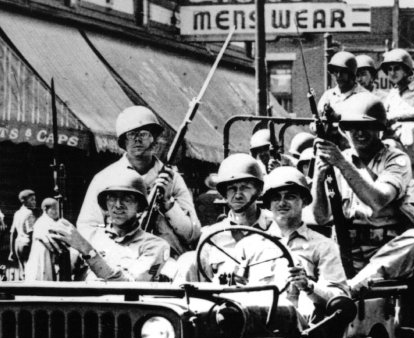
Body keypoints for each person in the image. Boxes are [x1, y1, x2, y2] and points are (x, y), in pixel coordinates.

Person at [312, 93, 414, 295]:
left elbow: (378, 200)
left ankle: (354, 286)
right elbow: (320, 217)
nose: (360, 132)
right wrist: (319, 176)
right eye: (353, 126)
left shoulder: (395, 159)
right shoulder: (339, 158)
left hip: (385, 251)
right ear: (344, 130)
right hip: (345, 249)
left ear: (379, 129)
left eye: (368, 126)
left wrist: (341, 163)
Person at [224, 167, 348, 325]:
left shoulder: (323, 246)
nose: (282, 203)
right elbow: (229, 292)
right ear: (269, 205)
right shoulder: (248, 246)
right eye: (276, 198)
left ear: (304, 201)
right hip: (251, 328)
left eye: (290, 197)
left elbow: (340, 300)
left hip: (297, 334)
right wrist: (229, 281)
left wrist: (308, 286)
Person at [77, 106, 200, 257]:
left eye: (143, 134)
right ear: (123, 141)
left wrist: (168, 204)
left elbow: (193, 234)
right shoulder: (105, 178)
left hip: (166, 259)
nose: (137, 139)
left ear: (153, 139)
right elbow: (87, 228)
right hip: (117, 257)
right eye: (131, 134)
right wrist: (117, 250)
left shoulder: (172, 179)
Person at [50, 169, 170, 282]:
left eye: (127, 199)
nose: (118, 205)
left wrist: (88, 251)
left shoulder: (155, 246)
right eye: (112, 198)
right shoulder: (89, 236)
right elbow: (57, 275)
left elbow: (131, 286)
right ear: (105, 203)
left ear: (139, 205)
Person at [183, 154, 273, 282]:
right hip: (222, 300)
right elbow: (201, 282)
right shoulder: (212, 236)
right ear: (224, 193)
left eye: (244, 188)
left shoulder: (275, 228)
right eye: (231, 189)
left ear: (257, 190)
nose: (237, 195)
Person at [23, 198, 70, 281]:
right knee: (41, 272)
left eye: (57, 209)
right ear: (45, 209)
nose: (56, 212)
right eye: (53, 209)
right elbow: (48, 240)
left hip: (48, 252)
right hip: (42, 251)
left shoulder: (51, 221)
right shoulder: (42, 222)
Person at [317, 51, 368, 117]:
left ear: (351, 74)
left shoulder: (364, 96)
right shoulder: (328, 95)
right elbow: (317, 119)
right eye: (336, 71)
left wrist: (337, 116)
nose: (338, 75)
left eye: (342, 72)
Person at [9, 188, 37, 270]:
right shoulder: (29, 213)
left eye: (34, 200)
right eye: (31, 200)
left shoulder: (17, 213)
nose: (34, 202)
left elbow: (13, 233)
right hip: (27, 245)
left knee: (22, 270)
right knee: (30, 271)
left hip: (18, 245)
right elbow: (31, 233)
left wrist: (12, 251)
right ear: (23, 201)